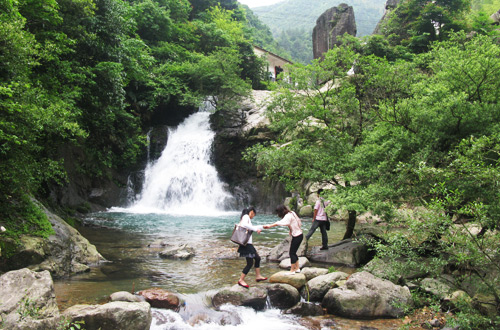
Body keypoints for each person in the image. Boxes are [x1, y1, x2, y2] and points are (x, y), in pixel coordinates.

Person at [263, 205, 303, 274]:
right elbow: (297, 222)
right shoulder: (292, 213)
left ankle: (292, 270)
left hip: (297, 236)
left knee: (292, 253)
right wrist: (291, 230)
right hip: (299, 234)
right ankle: (297, 268)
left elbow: (280, 223)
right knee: (294, 252)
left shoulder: (288, 216)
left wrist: (270, 225)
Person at [236, 207, 268, 288]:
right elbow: (246, 225)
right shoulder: (246, 216)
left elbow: (250, 227)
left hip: (247, 244)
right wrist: (256, 229)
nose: (253, 217)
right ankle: (241, 280)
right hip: (247, 245)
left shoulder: (245, 218)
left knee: (257, 259)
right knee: (251, 263)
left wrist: (262, 227)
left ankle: (258, 276)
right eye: (253, 215)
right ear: (252, 212)